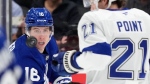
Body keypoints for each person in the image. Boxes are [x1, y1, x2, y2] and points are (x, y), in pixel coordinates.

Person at [51, 0, 150, 84]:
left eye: (93, 1)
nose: (91, 5)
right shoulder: (144, 17)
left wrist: (70, 62)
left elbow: (98, 58)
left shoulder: (94, 18)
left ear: (104, 1)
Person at [9, 8, 71, 84]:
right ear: (28, 32)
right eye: (36, 30)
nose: (42, 36)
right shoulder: (25, 57)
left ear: (50, 31)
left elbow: (56, 71)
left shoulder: (50, 41)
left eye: (45, 30)